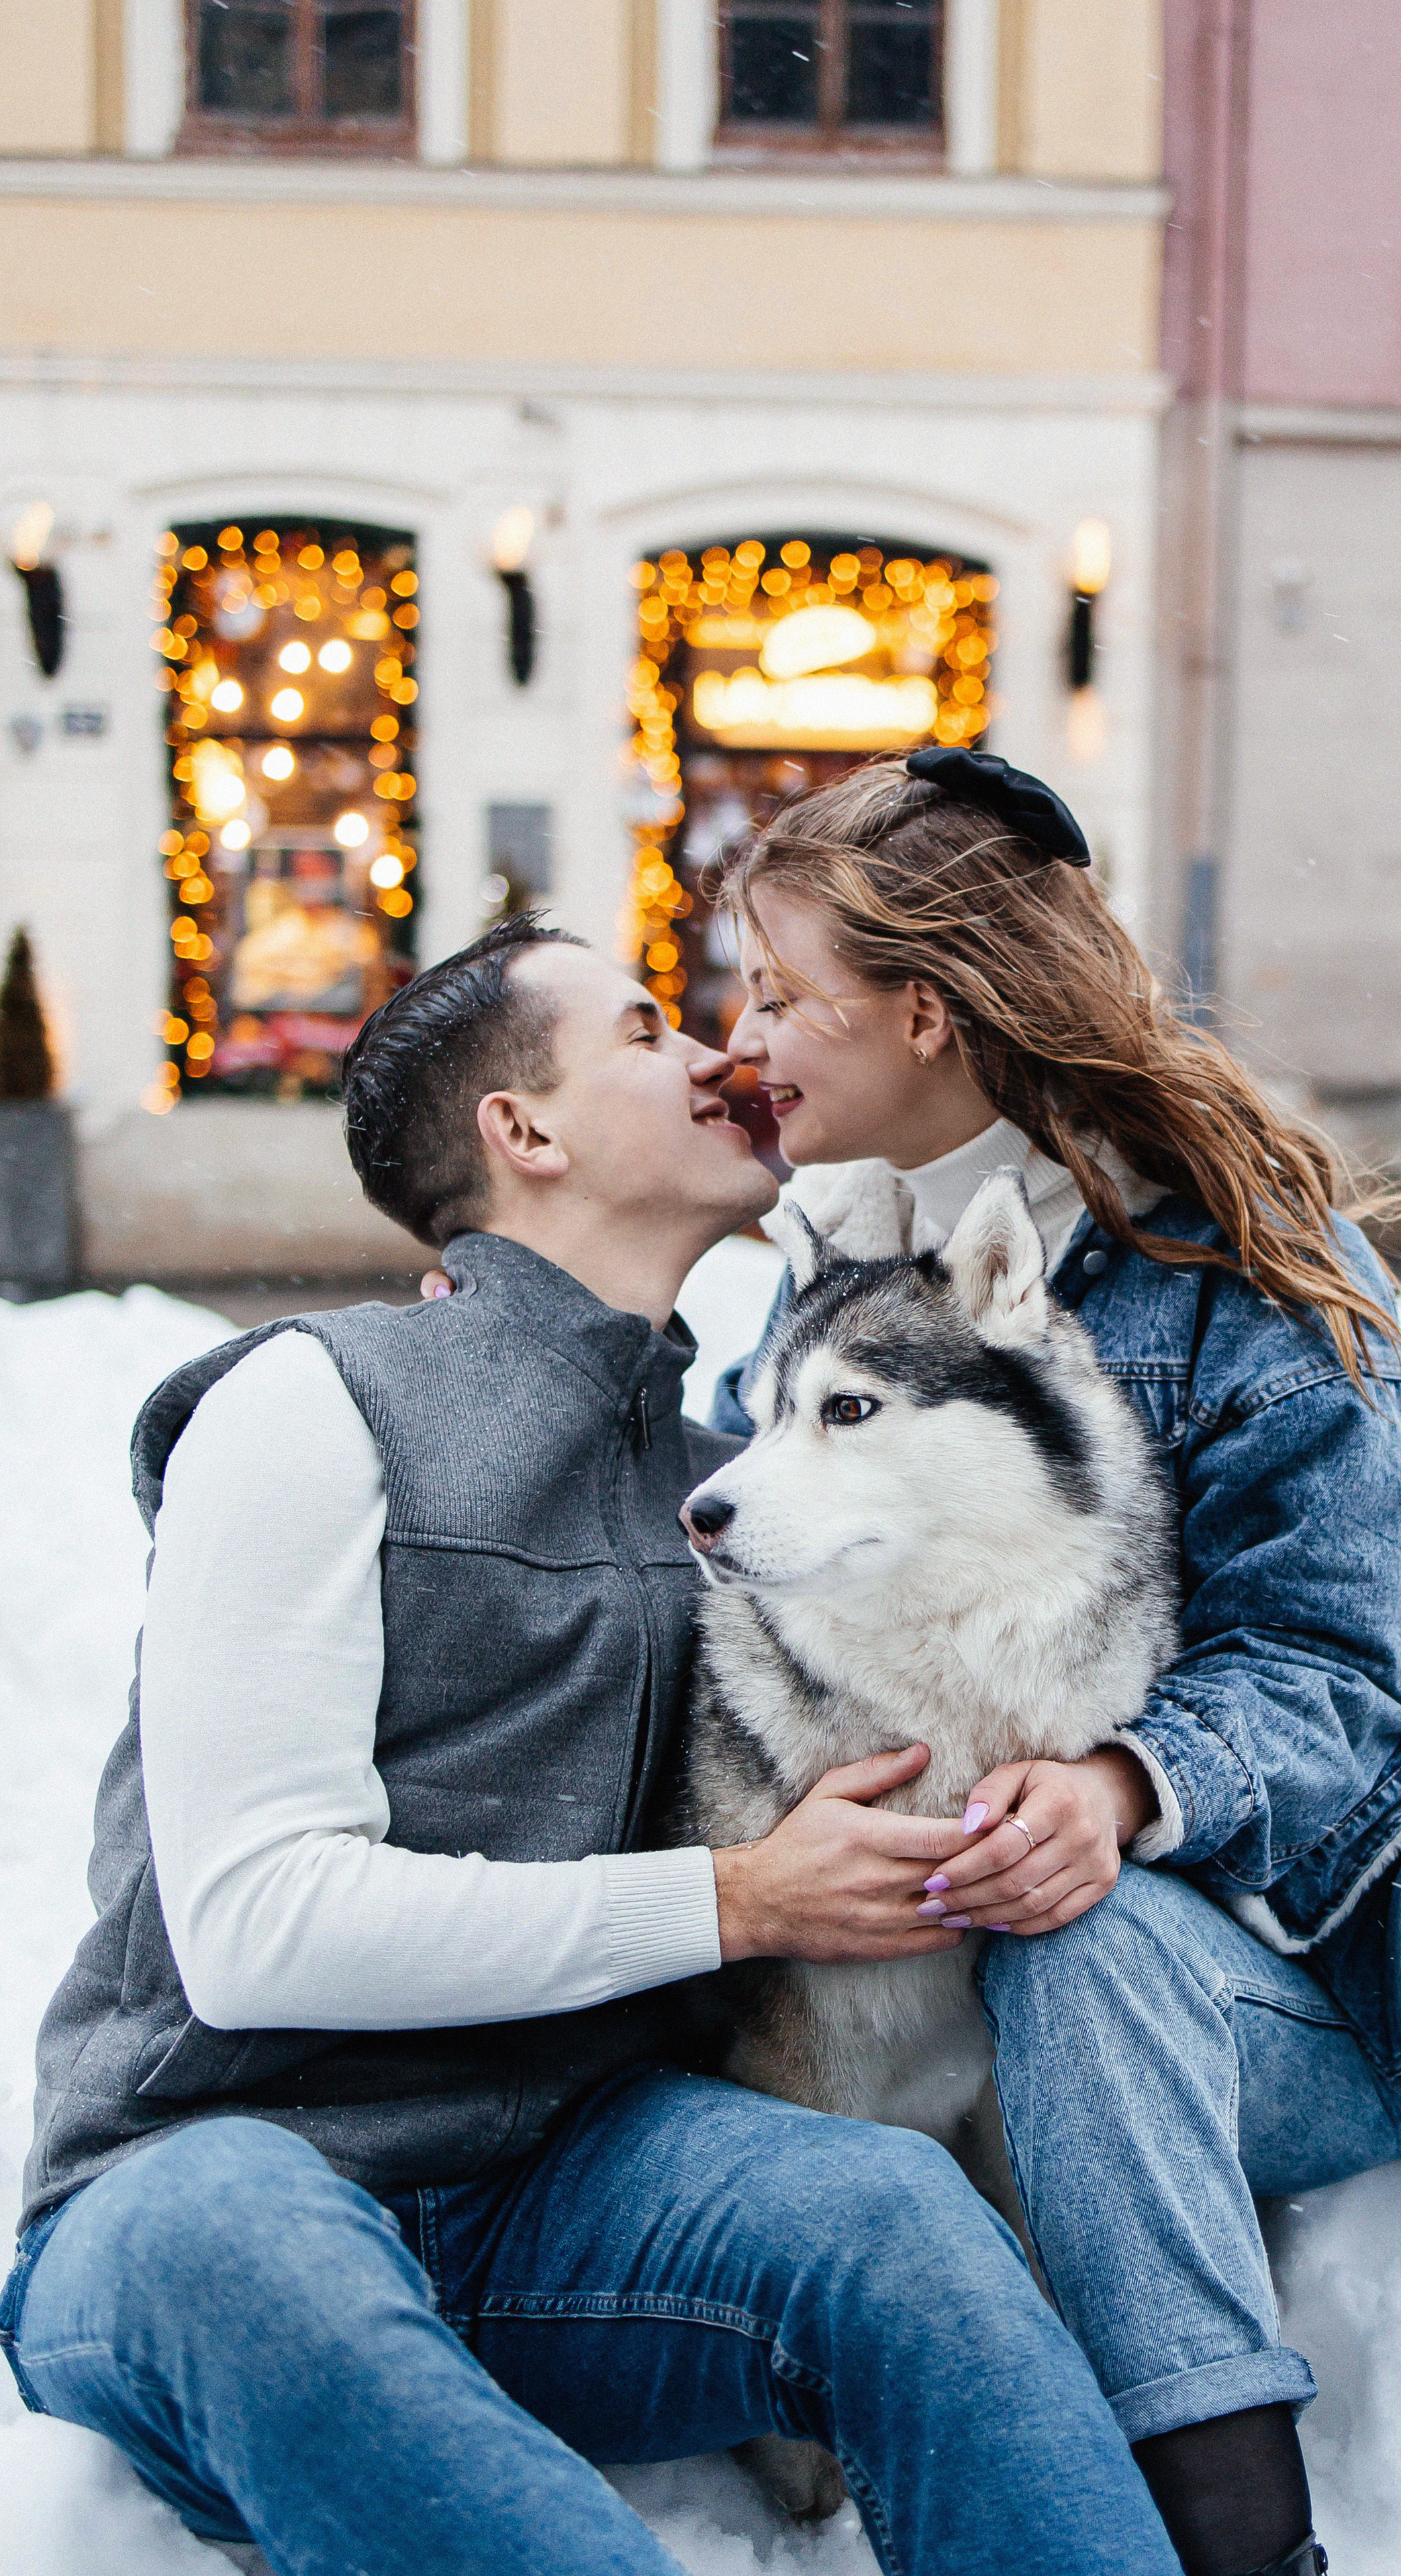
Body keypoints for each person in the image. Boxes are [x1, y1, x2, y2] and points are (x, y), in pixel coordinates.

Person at [0, 914, 1179, 2576]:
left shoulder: (732, 1487)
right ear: (524, 1131)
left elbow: (1058, 1554)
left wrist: (1097, 1788)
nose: (716, 1050)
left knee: (896, 2220)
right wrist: (737, 1898)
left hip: (561, 2193)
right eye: (642, 1027)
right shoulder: (311, 1401)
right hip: (205, 2184)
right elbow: (254, 1923)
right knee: (243, 2238)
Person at [702, 748, 1401, 2576]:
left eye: (778, 990)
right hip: (1185, 1949)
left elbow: (1346, 1654)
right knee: (1065, 1939)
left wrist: (1121, 1776)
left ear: (925, 1012)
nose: (743, 1029)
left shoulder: (1228, 1247)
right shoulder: (839, 1267)